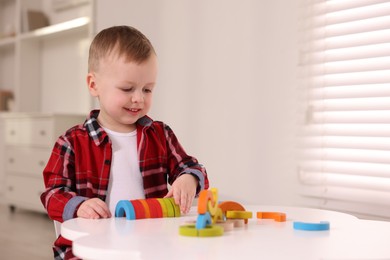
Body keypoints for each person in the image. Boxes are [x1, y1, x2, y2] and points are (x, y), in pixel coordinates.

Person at [40, 25, 209, 260]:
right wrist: (78, 206)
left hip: (151, 248)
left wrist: (189, 179)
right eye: (127, 88)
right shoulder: (71, 142)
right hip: (90, 251)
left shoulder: (160, 134)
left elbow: (192, 167)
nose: (138, 98)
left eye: (148, 89)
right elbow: (52, 194)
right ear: (93, 84)